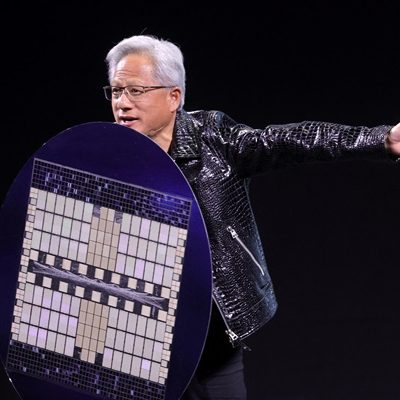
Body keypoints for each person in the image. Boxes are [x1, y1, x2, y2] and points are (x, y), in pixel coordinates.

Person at [103, 34, 400, 399]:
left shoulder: (213, 138)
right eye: (116, 91)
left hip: (212, 340)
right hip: (139, 342)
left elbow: (289, 141)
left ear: (173, 97)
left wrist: (381, 140)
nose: (122, 103)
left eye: (136, 91)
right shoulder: (103, 158)